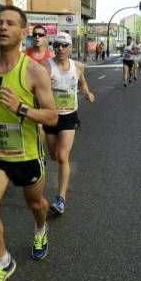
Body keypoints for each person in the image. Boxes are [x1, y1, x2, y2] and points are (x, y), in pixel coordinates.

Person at [0, 5, 58, 281]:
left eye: (9, 23)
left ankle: (40, 228)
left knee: (36, 204)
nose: (2, 27)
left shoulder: (34, 71)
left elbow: (52, 116)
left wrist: (20, 108)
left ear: (23, 32)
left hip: (27, 155)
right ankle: (3, 262)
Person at [41, 32, 95, 215]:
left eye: (64, 45)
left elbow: (82, 83)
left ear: (71, 48)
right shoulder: (46, 67)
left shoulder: (78, 66)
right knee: (54, 156)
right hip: (50, 116)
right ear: (53, 47)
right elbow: (35, 88)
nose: (60, 49)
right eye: (57, 45)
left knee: (63, 156)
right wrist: (45, 84)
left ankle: (60, 198)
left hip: (69, 116)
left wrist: (87, 93)